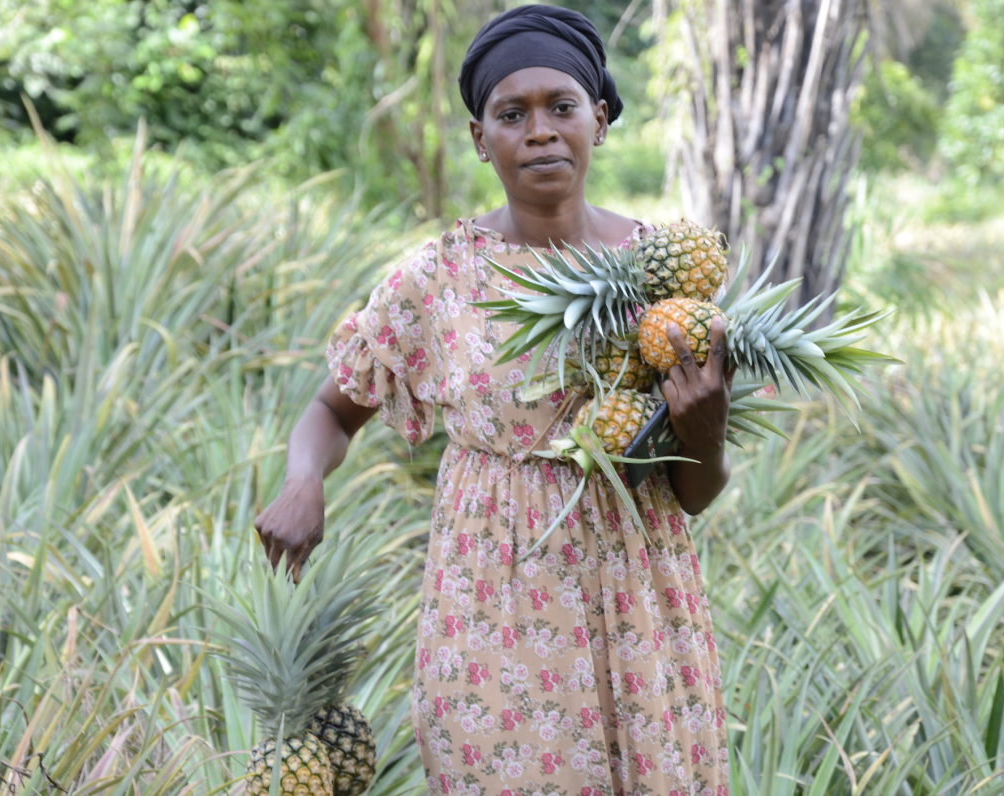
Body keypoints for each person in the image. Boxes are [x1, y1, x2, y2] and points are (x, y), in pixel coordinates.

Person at [255, 6, 734, 796]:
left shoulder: (667, 273)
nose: (540, 131)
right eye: (513, 114)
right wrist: (304, 481)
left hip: (639, 602)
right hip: (492, 609)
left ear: (600, 121)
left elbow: (693, 493)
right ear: (482, 139)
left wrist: (705, 433)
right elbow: (331, 411)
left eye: (562, 107)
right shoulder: (438, 277)